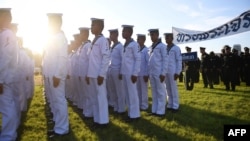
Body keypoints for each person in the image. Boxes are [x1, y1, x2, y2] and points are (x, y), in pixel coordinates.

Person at [44, 13, 69, 137]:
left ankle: (62, 128)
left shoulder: (60, 37)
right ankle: (58, 125)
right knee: (55, 101)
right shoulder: (53, 37)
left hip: (56, 75)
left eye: (51, 22)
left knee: (59, 101)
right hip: (51, 74)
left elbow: (62, 57)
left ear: (58, 23)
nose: (49, 24)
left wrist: (58, 75)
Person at [86, 18, 110, 127]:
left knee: (101, 98)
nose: (91, 27)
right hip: (92, 74)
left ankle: (103, 121)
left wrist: (102, 74)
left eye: (93, 25)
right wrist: (87, 73)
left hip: (98, 75)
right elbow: (90, 59)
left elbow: (106, 58)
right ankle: (97, 119)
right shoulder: (94, 41)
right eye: (91, 25)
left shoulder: (103, 40)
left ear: (100, 27)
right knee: (94, 98)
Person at [0, 8, 19, 141]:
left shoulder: (7, 34)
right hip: (3, 77)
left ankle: (8, 136)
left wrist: (0, 79)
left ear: (6, 17)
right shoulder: (4, 34)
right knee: (6, 107)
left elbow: (5, 58)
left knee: (7, 108)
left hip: (4, 78)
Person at [120, 25, 141, 121]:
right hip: (125, 73)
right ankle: (130, 113)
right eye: (123, 31)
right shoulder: (125, 44)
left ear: (130, 33)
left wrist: (135, 73)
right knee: (127, 94)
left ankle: (135, 115)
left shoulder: (134, 44)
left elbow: (138, 59)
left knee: (132, 94)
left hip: (131, 73)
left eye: (124, 31)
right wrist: (121, 72)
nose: (123, 33)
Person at [148, 29, 167, 116]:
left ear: (157, 35)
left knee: (161, 92)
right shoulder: (151, 46)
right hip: (152, 73)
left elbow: (165, 60)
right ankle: (154, 110)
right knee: (154, 92)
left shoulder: (162, 46)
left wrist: (163, 73)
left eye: (153, 35)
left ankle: (161, 111)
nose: (151, 37)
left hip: (159, 73)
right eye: (150, 35)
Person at [106, 28, 126, 114]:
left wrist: (121, 71)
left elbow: (123, 60)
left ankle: (121, 108)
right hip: (111, 70)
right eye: (110, 35)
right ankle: (115, 106)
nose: (110, 36)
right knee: (112, 90)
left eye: (112, 34)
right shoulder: (112, 47)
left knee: (120, 90)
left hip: (117, 71)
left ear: (116, 35)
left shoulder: (120, 46)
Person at [164, 33, 182, 113]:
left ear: (172, 38)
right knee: (167, 89)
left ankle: (175, 106)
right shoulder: (164, 48)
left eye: (168, 37)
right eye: (165, 38)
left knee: (173, 89)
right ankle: (169, 104)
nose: (166, 39)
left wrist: (178, 72)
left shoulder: (176, 48)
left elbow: (179, 61)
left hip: (173, 71)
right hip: (165, 71)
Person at [77, 27, 93, 118]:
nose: (80, 36)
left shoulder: (88, 45)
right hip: (82, 73)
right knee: (84, 92)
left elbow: (90, 60)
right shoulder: (82, 46)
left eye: (81, 34)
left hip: (86, 73)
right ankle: (86, 110)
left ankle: (89, 113)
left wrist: (88, 73)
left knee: (88, 94)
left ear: (86, 34)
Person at [136, 34, 149, 111]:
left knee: (144, 91)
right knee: (138, 90)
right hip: (137, 74)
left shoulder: (146, 50)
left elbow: (148, 63)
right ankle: (139, 104)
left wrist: (146, 74)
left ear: (143, 40)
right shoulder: (137, 50)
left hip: (144, 74)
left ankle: (144, 106)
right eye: (137, 39)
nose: (137, 41)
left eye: (139, 39)